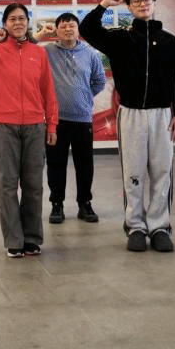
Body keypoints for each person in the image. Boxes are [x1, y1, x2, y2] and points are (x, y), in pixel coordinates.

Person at [79, 0, 175, 253]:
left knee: (162, 172)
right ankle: (136, 227)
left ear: (154, 3)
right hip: (130, 114)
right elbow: (88, 29)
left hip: (162, 114)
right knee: (133, 172)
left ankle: (160, 227)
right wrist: (104, 5)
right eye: (136, 1)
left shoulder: (170, 41)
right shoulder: (120, 38)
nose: (143, 4)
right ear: (129, 7)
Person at [0, 3, 57, 258]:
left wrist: (52, 124)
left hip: (35, 127)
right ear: (5, 24)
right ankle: (14, 240)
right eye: (12, 19)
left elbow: (48, 91)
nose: (18, 23)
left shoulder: (38, 53)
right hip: (5, 127)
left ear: (28, 22)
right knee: (7, 185)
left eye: (22, 18)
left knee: (33, 185)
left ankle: (32, 239)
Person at [34, 13, 107, 224]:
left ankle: (85, 203)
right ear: (56, 30)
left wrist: (84, 97)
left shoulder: (90, 53)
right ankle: (57, 205)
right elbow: (27, 46)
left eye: (72, 25)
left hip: (83, 119)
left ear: (78, 29)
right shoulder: (47, 51)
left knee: (85, 164)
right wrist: (41, 34)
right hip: (55, 120)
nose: (68, 29)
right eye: (63, 26)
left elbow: (99, 81)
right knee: (55, 164)